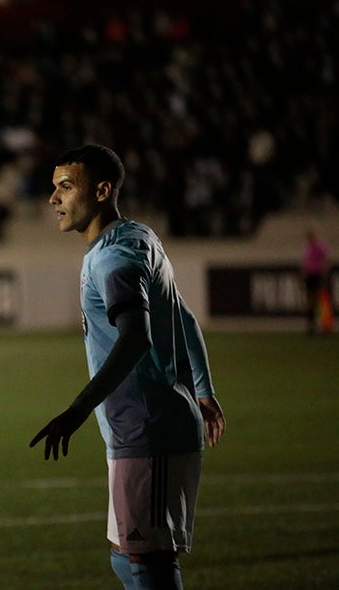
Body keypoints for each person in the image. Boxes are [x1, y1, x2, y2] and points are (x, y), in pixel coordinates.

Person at [29, 144, 226, 590]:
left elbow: (135, 336)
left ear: (102, 191)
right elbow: (183, 315)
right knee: (128, 554)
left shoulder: (113, 258)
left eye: (65, 187)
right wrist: (203, 388)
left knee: (147, 559)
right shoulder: (138, 237)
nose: (52, 199)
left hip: (148, 430)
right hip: (136, 429)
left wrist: (76, 410)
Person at [301, 227, 332, 335]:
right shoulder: (307, 247)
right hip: (310, 276)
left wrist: (325, 274)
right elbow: (306, 263)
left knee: (322, 299)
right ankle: (311, 326)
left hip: (318, 274)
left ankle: (326, 326)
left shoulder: (320, 246)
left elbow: (325, 260)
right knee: (311, 301)